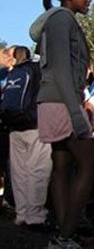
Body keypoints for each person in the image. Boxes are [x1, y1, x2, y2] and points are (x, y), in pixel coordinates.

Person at [29, 0, 94, 248]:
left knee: (62, 164)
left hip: (57, 100)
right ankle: (64, 234)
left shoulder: (64, 20)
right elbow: (60, 68)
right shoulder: (61, 20)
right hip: (61, 101)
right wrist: (76, 113)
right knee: (90, 164)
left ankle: (64, 230)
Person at [1, 46, 52, 231]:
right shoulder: (35, 70)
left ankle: (21, 214)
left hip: (13, 126)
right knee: (37, 169)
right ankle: (35, 215)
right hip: (35, 124)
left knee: (18, 173)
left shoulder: (10, 75)